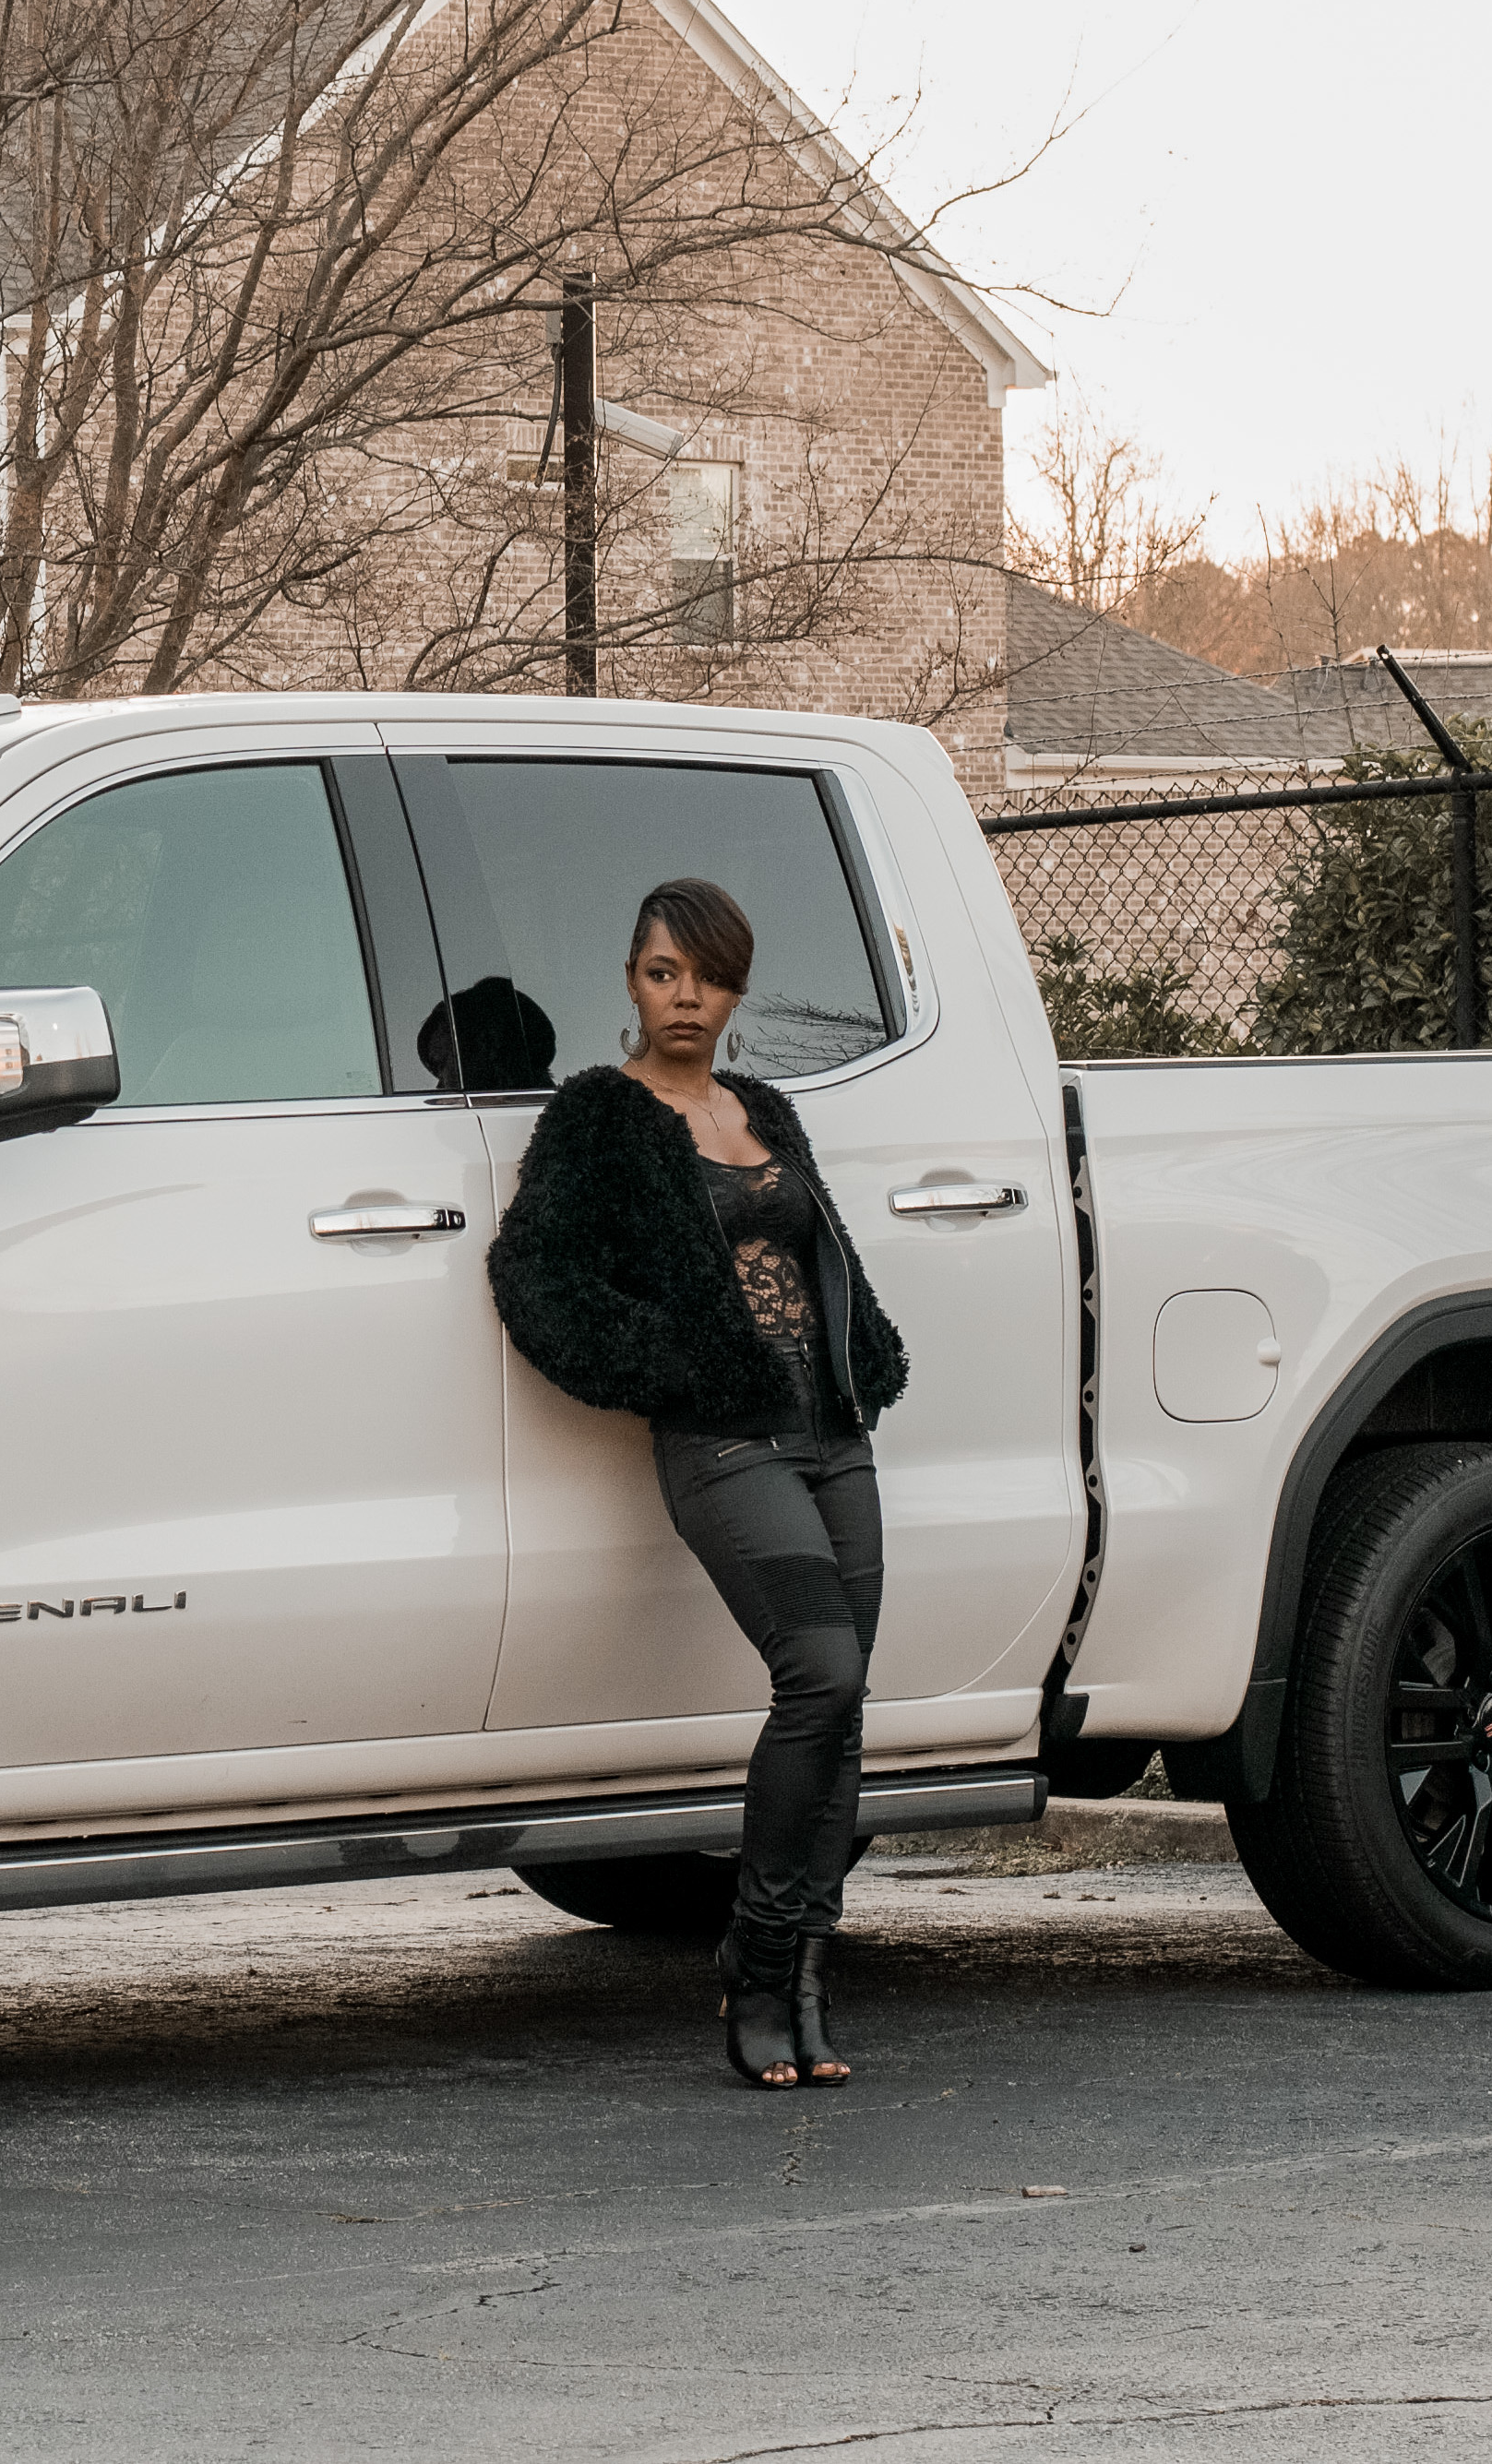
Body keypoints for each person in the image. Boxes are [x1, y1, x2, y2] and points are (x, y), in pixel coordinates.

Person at [483, 877, 911, 2089]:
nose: (687, 998)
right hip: (724, 1443)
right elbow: (534, 1280)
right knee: (817, 1675)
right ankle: (758, 1955)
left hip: (831, 1435)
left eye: (709, 978)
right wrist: (673, 1367)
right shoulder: (601, 1115)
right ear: (631, 977)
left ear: (736, 988)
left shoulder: (765, 1104)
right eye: (664, 973)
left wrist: (863, 1360)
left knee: (844, 1711)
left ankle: (806, 1977)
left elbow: (825, 1256)